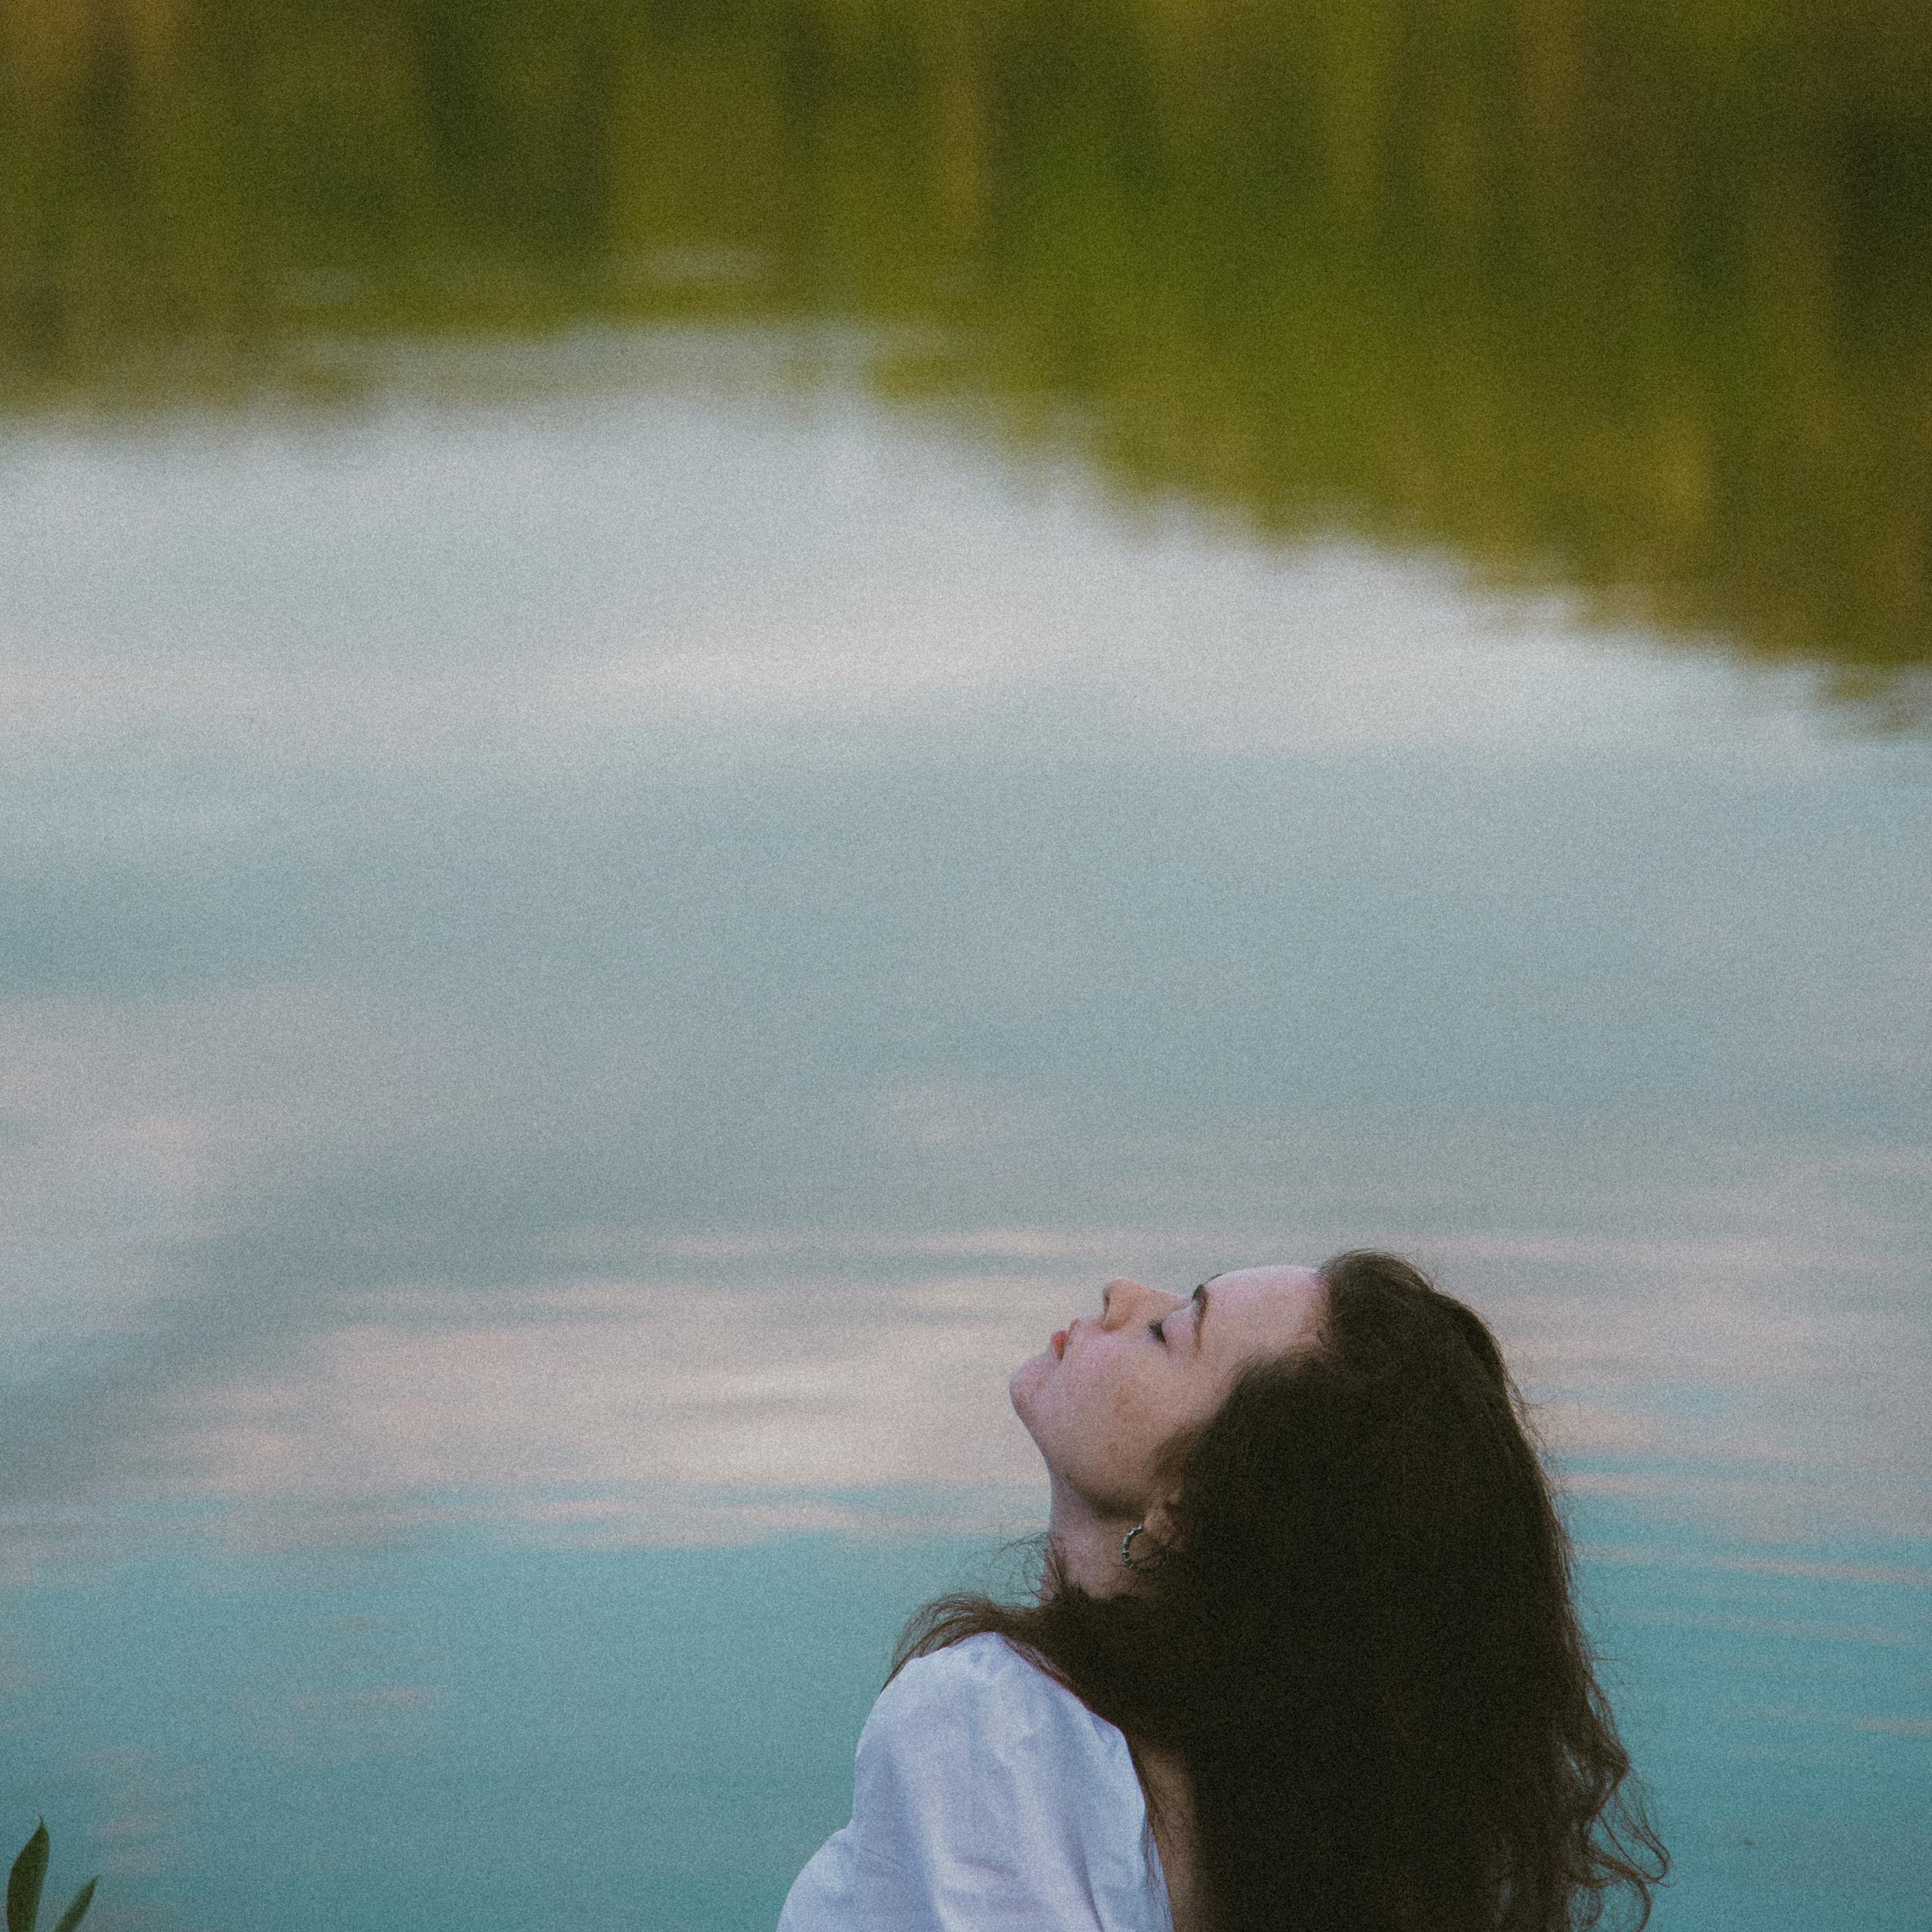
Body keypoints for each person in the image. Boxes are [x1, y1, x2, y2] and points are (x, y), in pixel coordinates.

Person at [777, 1250, 1666, 1932]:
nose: (1123, 1294)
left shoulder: (990, 1726)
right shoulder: (1316, 1814)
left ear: (1191, 1509)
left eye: (1170, 1333)